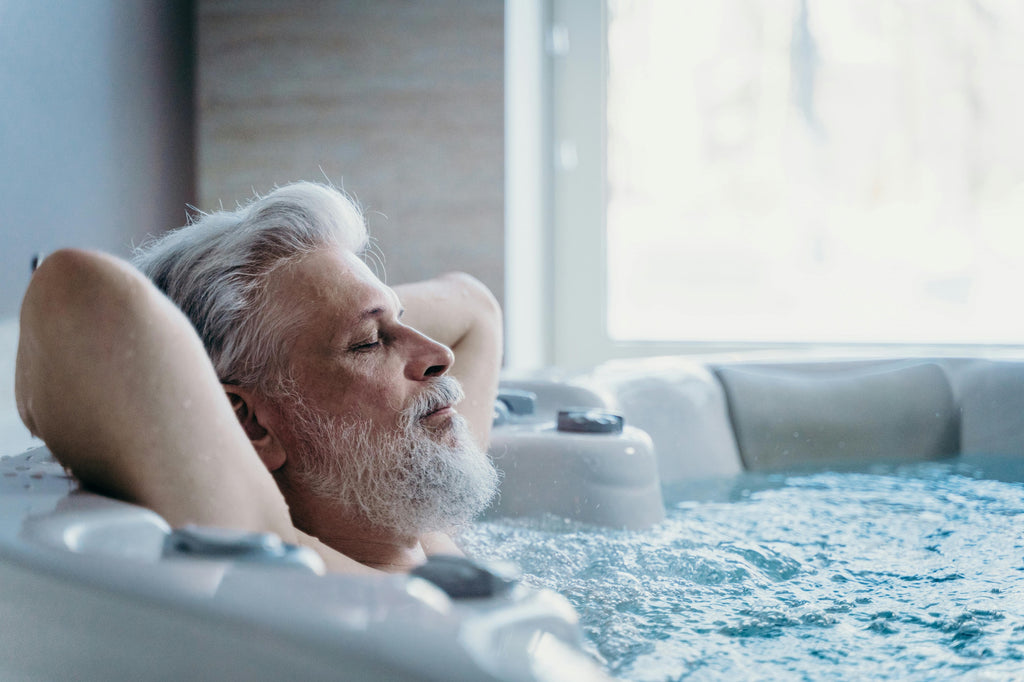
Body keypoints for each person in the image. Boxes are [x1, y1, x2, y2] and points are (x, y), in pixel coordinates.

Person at [15, 182, 503, 574]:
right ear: (250, 424)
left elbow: (477, 310)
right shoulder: (284, 560)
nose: (439, 354)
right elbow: (76, 293)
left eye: (402, 320)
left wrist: (342, 304)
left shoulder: (418, 515)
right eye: (367, 343)